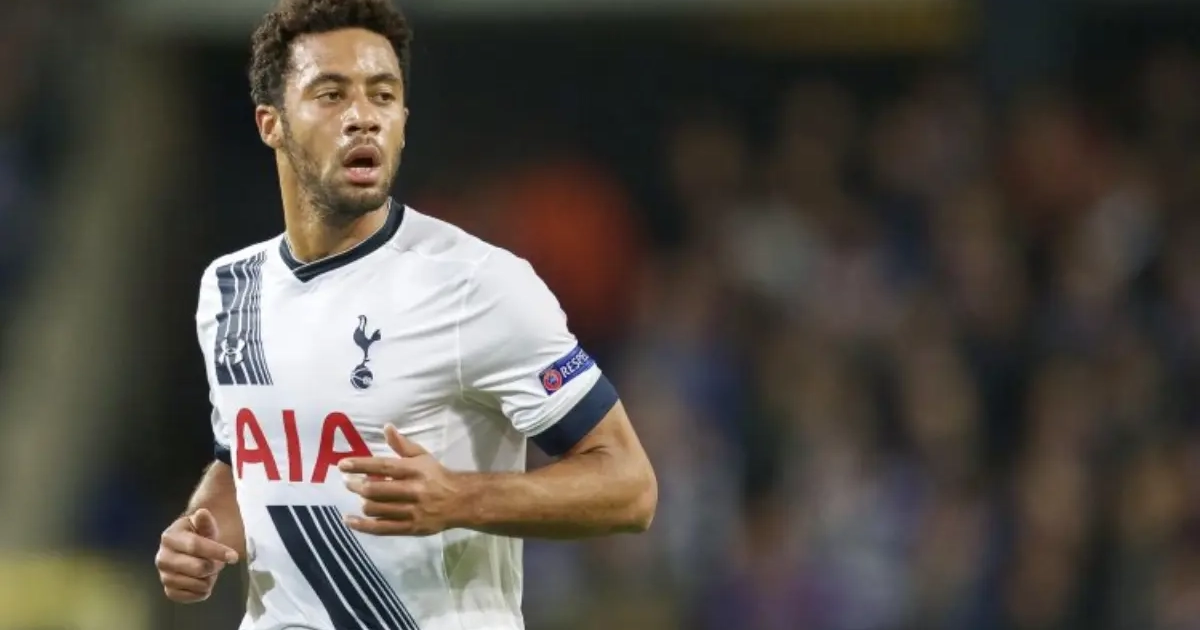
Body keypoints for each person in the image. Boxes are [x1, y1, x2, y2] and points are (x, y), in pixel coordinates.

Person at [152, 1, 657, 628]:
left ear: (403, 122)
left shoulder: (474, 284)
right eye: (331, 94)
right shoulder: (229, 288)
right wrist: (200, 532)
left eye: (383, 95)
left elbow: (629, 486)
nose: (362, 116)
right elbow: (248, 457)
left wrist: (460, 498)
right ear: (271, 123)